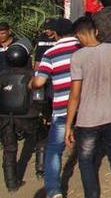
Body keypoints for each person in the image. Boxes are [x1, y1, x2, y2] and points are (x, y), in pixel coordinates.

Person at [64, 17, 111, 198]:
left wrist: (68, 125)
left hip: (87, 119)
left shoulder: (78, 57)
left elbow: (75, 94)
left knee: (86, 160)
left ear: (78, 35)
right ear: (96, 31)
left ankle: (92, 194)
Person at [30, 18, 80, 198]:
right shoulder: (82, 48)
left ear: (57, 34)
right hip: (85, 107)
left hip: (62, 107)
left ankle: (53, 190)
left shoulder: (51, 53)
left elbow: (39, 82)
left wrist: (30, 84)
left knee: (54, 149)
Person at [0, 37, 44, 192]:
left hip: (6, 118)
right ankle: (40, 170)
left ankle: (11, 185)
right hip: (28, 116)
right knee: (41, 139)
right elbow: (39, 98)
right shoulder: (32, 76)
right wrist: (42, 113)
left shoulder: (2, 75)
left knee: (9, 149)